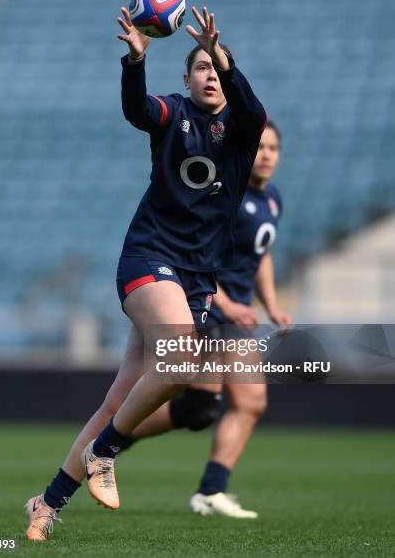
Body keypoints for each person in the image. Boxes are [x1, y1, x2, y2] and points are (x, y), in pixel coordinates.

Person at [25, 4, 266, 541]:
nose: (209, 75)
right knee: (181, 366)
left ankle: (47, 502)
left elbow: (253, 105)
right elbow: (138, 111)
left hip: (197, 277)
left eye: (216, 66)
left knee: (121, 398)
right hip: (149, 257)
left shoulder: (245, 127)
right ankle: (104, 452)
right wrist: (134, 62)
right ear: (185, 79)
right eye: (200, 67)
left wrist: (225, 58)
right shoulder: (173, 114)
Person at [124, 122, 293, 519]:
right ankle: (116, 440)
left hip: (236, 313)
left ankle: (116, 437)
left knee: (201, 408)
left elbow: (261, 254)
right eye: (260, 147)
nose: (266, 155)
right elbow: (195, 253)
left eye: (274, 148)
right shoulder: (224, 197)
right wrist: (229, 301)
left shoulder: (272, 201)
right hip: (209, 304)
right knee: (244, 401)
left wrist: (270, 305)